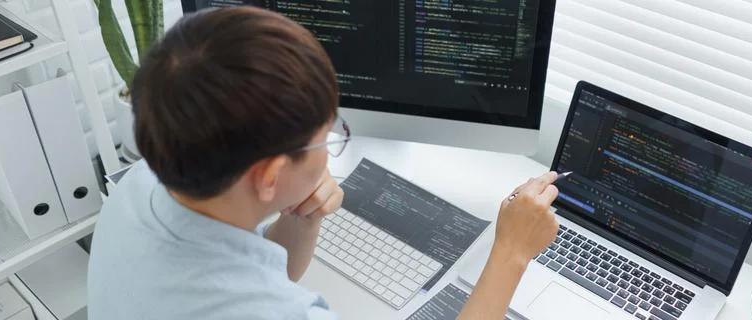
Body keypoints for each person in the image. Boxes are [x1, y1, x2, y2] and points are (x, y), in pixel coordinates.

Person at [86, 6, 560, 320]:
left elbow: (261, 270)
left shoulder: (146, 181)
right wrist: (512, 251)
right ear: (269, 177)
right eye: (326, 140)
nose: (331, 147)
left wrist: (302, 217)